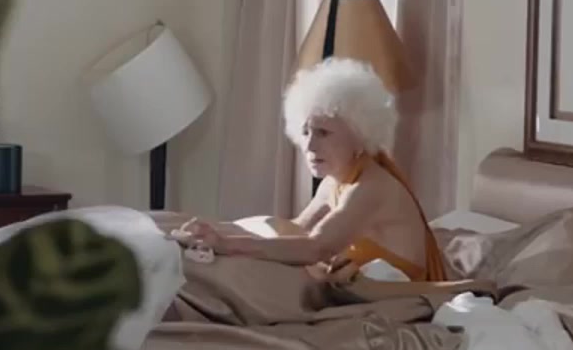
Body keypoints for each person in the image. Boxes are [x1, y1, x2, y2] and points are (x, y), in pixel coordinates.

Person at [174, 58, 451, 284]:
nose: (309, 145)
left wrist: (227, 244)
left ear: (359, 135)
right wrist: (215, 234)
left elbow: (317, 247)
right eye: (306, 131)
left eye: (323, 133)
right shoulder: (334, 181)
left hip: (397, 297)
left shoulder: (370, 187)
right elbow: (294, 231)